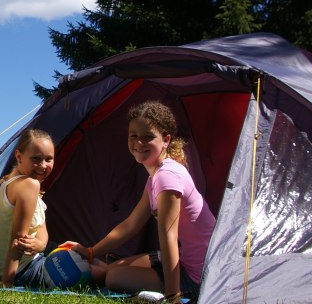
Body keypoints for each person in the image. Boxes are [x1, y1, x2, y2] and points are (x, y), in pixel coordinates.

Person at [70, 101, 215, 302]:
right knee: (112, 268)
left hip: (199, 275)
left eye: (148, 137)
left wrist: (173, 297)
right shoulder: (155, 177)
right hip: (179, 259)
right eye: (134, 136)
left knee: (113, 277)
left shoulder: (167, 176)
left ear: (166, 140)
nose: (139, 143)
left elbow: (168, 238)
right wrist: (91, 251)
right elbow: (131, 224)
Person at [0, 128, 105, 288]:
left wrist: (40, 245)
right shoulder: (29, 185)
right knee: (101, 272)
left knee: (92, 260)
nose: (43, 166)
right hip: (24, 272)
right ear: (18, 156)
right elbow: (18, 238)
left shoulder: (16, 183)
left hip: (30, 263)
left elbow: (42, 233)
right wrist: (7, 283)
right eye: (36, 159)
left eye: (49, 159)